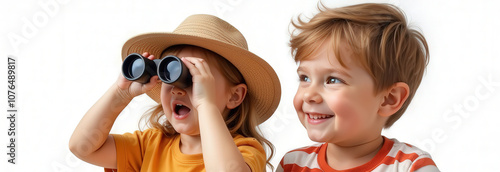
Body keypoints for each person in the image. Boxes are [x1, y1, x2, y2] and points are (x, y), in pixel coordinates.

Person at [69, 14, 281, 172]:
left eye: (193, 78)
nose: (178, 89)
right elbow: (82, 147)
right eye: (169, 74)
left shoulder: (244, 151)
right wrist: (121, 94)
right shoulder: (150, 145)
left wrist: (205, 104)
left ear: (234, 96)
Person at [277, 3, 439, 172]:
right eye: (305, 78)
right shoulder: (292, 165)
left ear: (389, 99)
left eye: (333, 80)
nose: (309, 95)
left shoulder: (411, 167)